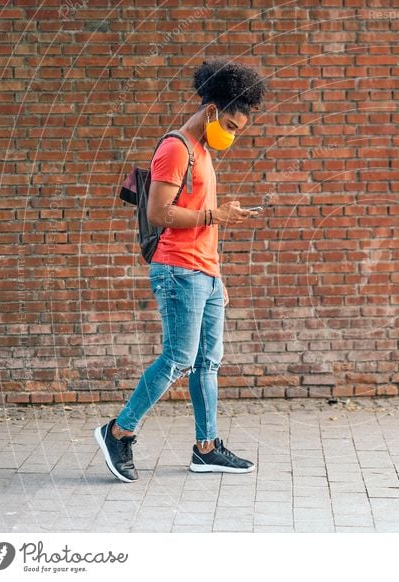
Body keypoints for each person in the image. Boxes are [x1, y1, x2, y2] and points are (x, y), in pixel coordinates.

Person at [95, 59, 268, 482]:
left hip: (204, 273)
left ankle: (206, 448)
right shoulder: (177, 148)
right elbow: (158, 212)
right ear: (211, 112)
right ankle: (118, 432)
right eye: (230, 124)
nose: (232, 134)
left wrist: (218, 276)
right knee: (178, 359)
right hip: (177, 271)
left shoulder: (204, 153)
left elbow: (202, 219)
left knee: (209, 361)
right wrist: (217, 216)